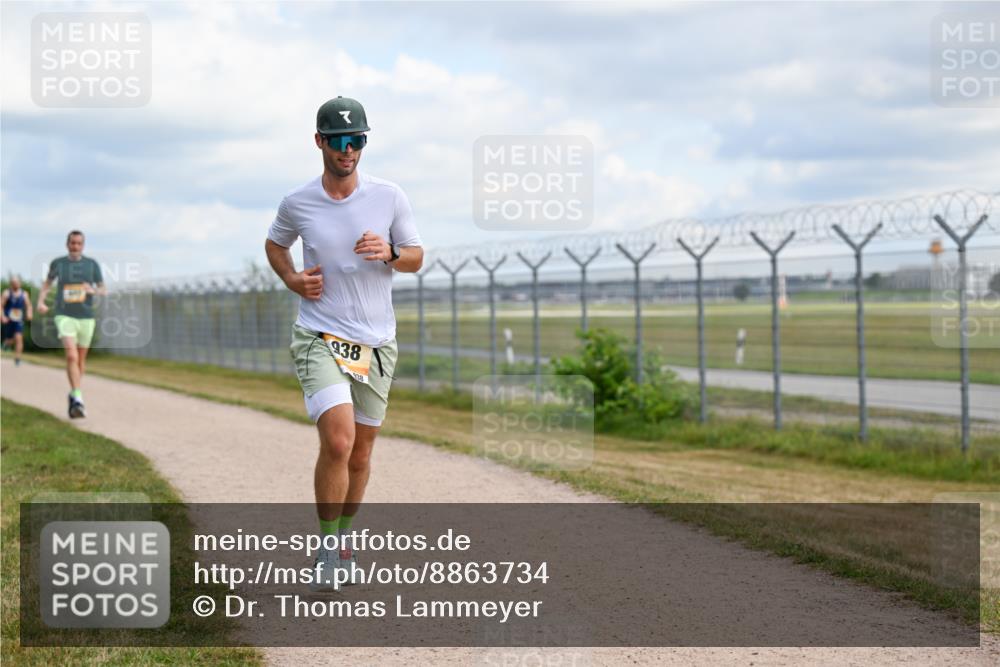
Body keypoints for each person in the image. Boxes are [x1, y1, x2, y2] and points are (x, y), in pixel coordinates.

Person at [264, 97, 423, 591]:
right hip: (319, 334)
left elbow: (417, 256)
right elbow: (275, 244)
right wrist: (292, 279)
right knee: (338, 439)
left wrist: (391, 252)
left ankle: (345, 542)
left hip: (376, 341)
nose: (348, 150)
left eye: (357, 141)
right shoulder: (298, 202)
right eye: (338, 141)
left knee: (360, 454)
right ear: (320, 142)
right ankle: (326, 551)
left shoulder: (389, 196)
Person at [36, 230, 104, 418]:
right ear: (67, 244)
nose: (75, 246)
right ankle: (78, 398)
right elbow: (47, 284)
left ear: (83, 245)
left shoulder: (92, 265)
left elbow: (103, 289)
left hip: (86, 317)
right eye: (72, 243)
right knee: (72, 356)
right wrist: (41, 301)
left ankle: (74, 393)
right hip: (64, 315)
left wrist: (92, 290)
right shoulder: (58, 263)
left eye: (79, 243)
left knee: (81, 361)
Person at [1, 276, 33, 366]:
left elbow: (29, 306)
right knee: (10, 339)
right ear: (11, 284)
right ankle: (6, 343)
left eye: (18, 283)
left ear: (20, 283)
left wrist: (29, 314)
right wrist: (2, 316)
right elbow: (1, 306)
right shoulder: (7, 293)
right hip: (8, 319)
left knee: (19, 338)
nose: (16, 285)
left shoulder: (24, 294)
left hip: (18, 319)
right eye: (14, 283)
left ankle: (17, 358)